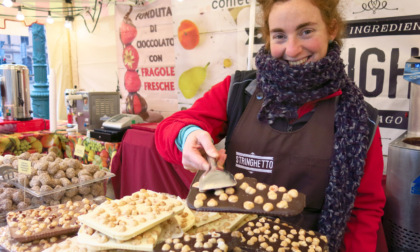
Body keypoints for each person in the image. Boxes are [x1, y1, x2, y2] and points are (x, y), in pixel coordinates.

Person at [155, 0, 386, 251]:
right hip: (232, 243)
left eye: (306, 31)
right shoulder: (240, 92)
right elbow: (171, 128)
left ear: (331, 29)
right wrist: (187, 135)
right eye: (279, 35)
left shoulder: (359, 120)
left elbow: (362, 211)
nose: (292, 49)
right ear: (267, 38)